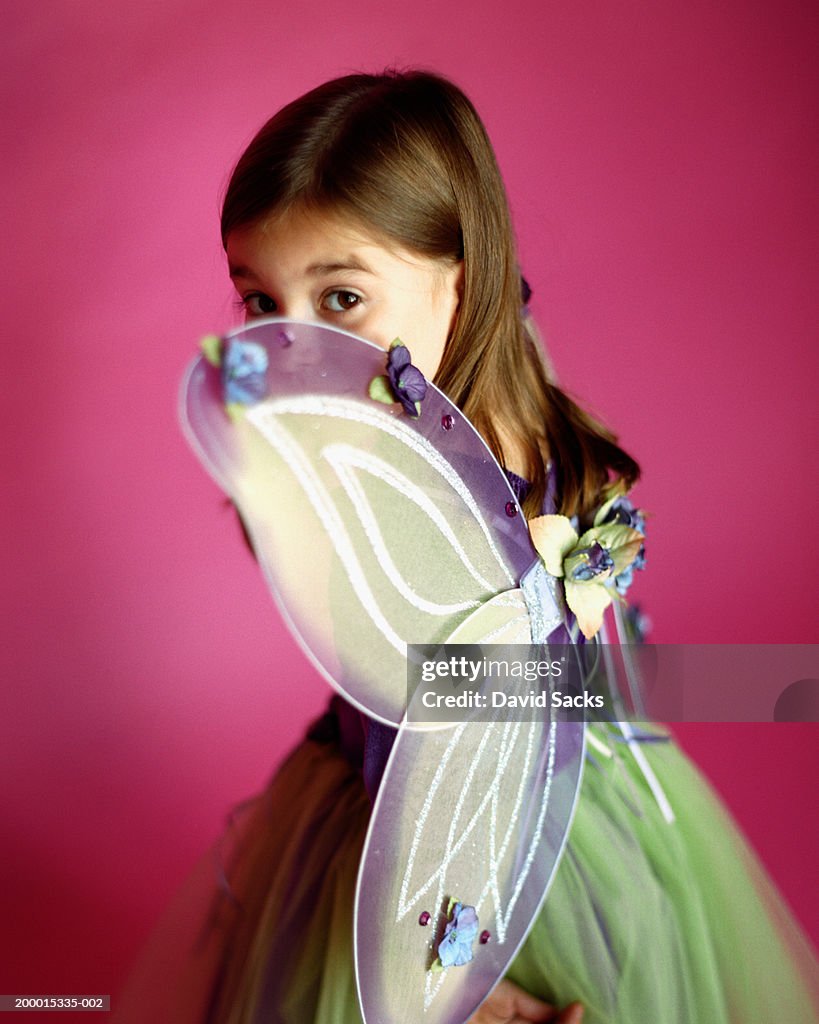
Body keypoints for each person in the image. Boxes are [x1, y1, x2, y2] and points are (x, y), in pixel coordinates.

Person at [116, 70, 818, 1024]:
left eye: (342, 298)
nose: (292, 343)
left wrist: (452, 977)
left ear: (459, 279)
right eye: (257, 302)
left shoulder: (505, 453)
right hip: (406, 826)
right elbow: (412, 735)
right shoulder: (355, 472)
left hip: (540, 831)